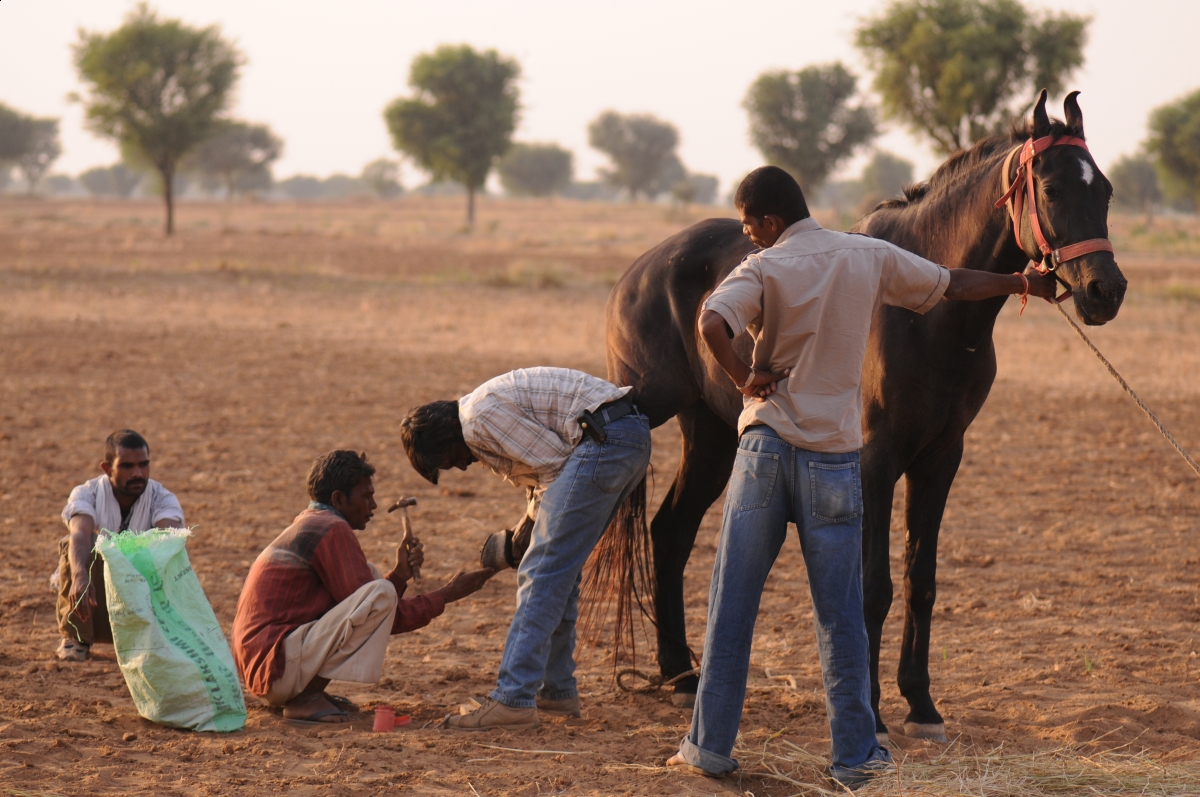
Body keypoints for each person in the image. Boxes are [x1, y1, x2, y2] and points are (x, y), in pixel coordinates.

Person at [667, 166, 1058, 789]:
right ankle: (857, 756)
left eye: (750, 227)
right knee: (842, 614)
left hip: (766, 451)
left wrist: (746, 378)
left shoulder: (763, 268)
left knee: (732, 604)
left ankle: (708, 750)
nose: (750, 238)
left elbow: (711, 323)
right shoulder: (869, 254)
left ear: (770, 222)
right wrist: (1022, 282)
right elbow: (953, 284)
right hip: (833, 456)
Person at [400, 366, 650, 730]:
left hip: (606, 440)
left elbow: (554, 466)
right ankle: (556, 691)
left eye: (450, 459)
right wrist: (526, 524)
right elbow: (550, 470)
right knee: (560, 572)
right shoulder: (479, 412)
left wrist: (531, 525)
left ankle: (514, 698)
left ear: (449, 434)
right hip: (622, 436)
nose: (461, 466)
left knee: (541, 572)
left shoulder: (476, 420)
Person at [231, 449, 493, 725]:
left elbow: (365, 606)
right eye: (366, 496)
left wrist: (400, 575)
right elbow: (382, 612)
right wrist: (448, 593)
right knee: (378, 591)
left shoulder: (312, 523)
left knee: (373, 578)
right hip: (275, 668)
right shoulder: (331, 528)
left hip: (266, 669)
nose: (374, 505)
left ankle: (306, 693)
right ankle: (305, 698)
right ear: (338, 499)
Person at [55, 430, 185, 662]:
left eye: (143, 465)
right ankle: (76, 638)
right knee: (77, 546)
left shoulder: (162, 498)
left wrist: (163, 544)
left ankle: (155, 641)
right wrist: (79, 575)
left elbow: (170, 540)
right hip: (94, 603)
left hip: (142, 603)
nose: (138, 473)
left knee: (168, 550)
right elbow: (80, 535)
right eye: (127, 466)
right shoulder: (87, 493)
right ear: (107, 469)